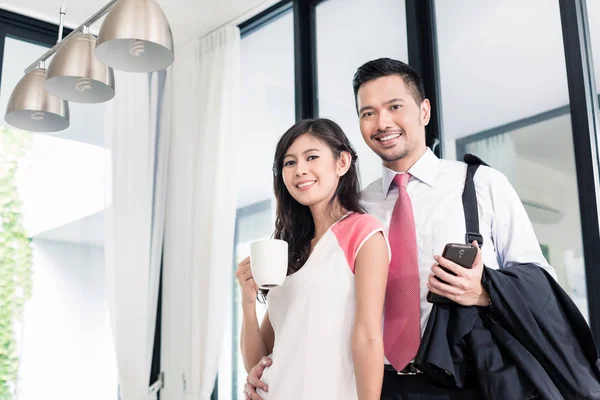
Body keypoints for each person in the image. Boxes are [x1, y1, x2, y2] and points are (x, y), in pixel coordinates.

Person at [243, 58, 556, 399]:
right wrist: (271, 371)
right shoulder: (355, 211)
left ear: (424, 111)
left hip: (464, 379)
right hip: (376, 382)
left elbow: (541, 284)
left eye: (394, 106)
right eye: (368, 113)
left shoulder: (480, 185)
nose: (382, 122)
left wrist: (483, 292)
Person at [236, 118, 391, 399]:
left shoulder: (363, 232)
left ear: (342, 162)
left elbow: (368, 336)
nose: (300, 170)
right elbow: (259, 362)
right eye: (289, 162)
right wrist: (247, 300)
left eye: (312, 157)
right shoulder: (289, 249)